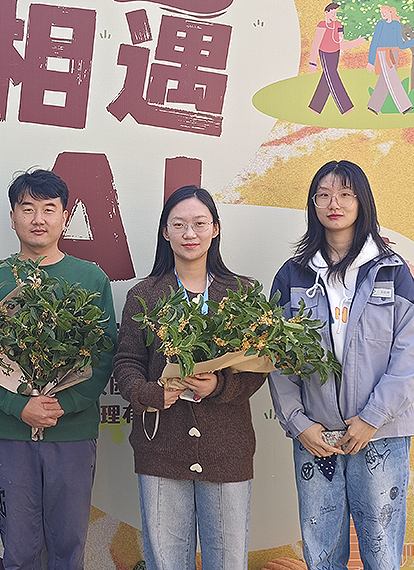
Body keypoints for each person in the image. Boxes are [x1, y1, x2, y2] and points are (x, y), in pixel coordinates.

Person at [268, 160, 414, 570]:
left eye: (345, 194)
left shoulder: (392, 271)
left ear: (362, 201)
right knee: (321, 552)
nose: (333, 203)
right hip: (316, 436)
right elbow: (277, 357)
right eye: (323, 195)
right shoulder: (293, 275)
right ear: (313, 204)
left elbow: (409, 353)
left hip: (380, 434)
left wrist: (372, 417)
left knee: (382, 551)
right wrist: (298, 423)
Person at [0, 168, 117, 570]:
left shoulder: (90, 278)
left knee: (69, 546)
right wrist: (20, 407)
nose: (38, 219)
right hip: (11, 433)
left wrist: (62, 405)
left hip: (72, 432)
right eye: (28, 208)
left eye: (49, 209)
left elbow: (104, 353)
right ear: (12, 217)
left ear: (65, 217)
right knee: (18, 548)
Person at [113, 186, 267, 570]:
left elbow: (258, 366)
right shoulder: (144, 295)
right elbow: (126, 361)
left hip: (226, 448)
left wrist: (220, 386)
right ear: (165, 232)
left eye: (199, 223)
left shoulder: (241, 293)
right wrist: (148, 393)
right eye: (179, 224)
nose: (189, 233)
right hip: (161, 449)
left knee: (228, 561)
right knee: (166, 562)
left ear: (216, 228)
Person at [307, 3, 366, 115]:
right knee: (333, 77)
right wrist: (312, 63)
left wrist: (356, 42)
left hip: (335, 53)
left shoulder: (339, 25)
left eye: (336, 13)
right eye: (332, 13)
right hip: (325, 53)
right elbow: (315, 44)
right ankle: (346, 107)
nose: (334, 15)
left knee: (327, 78)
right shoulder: (322, 25)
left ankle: (315, 107)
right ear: (326, 12)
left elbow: (342, 45)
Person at [366, 5, 414, 114]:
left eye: (385, 12)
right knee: (392, 78)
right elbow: (374, 42)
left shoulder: (396, 24)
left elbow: (401, 44)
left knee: (385, 79)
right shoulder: (380, 24)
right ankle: (405, 106)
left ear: (390, 12)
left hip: (394, 53)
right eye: (381, 12)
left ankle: (373, 106)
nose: (383, 14)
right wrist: (371, 61)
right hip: (383, 53)